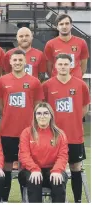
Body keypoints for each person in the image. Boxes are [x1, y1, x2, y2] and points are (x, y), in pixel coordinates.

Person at [0, 49, 44, 202]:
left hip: (28, 132)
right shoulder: (2, 81)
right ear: (10, 62)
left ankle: (26, 198)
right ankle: (4, 198)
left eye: (20, 60)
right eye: (14, 60)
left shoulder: (34, 82)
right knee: (7, 165)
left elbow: (37, 106)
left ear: (25, 62)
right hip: (7, 131)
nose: (17, 62)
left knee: (27, 165)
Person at [42, 53, 90, 203]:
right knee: (52, 167)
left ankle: (77, 201)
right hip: (53, 136)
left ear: (72, 66)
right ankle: (55, 200)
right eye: (60, 64)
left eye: (66, 64)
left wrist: (73, 120)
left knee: (75, 167)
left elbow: (84, 108)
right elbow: (42, 109)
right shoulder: (47, 85)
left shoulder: (81, 85)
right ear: (55, 66)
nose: (63, 67)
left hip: (74, 135)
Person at [18, 102, 68, 203]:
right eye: (39, 113)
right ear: (35, 116)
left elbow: (63, 156)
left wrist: (57, 170)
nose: (42, 116)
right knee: (34, 180)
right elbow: (24, 155)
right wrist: (34, 169)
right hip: (30, 170)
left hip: (53, 170)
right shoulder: (27, 133)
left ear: (51, 115)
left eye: (46, 113)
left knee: (58, 181)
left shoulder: (60, 134)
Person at [44, 14, 89, 79]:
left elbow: (83, 66)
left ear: (71, 25)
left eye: (67, 23)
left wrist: (76, 78)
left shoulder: (81, 43)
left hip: (76, 83)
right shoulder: (50, 44)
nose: (64, 26)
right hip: (57, 83)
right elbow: (49, 68)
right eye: (61, 24)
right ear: (57, 27)